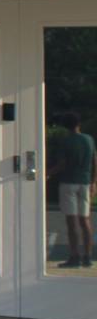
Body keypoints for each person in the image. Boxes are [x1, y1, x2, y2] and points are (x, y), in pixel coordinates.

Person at [49, 111, 96, 268]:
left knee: (72, 222)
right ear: (79, 123)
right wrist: (94, 182)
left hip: (69, 182)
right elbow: (94, 161)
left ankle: (75, 256)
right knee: (85, 220)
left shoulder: (66, 141)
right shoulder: (89, 139)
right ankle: (88, 256)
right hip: (85, 182)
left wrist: (46, 173)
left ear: (65, 125)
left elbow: (62, 164)